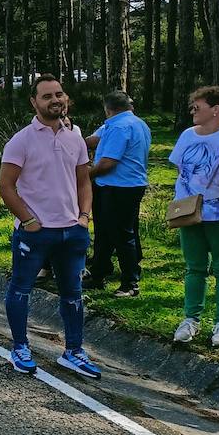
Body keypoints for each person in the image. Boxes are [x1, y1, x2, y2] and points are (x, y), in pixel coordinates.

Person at [0, 75, 100, 379]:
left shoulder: (75, 138)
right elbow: (6, 186)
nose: (55, 100)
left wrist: (84, 217)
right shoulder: (21, 140)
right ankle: (19, 348)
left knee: (73, 293)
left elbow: (84, 181)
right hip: (36, 232)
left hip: (72, 231)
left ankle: (74, 351)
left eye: (59, 94)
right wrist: (28, 221)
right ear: (34, 102)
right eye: (47, 96)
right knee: (21, 289)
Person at [170, 85, 219, 348]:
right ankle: (191, 319)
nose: (192, 110)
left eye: (197, 107)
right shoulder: (188, 135)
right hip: (190, 211)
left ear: (216, 109)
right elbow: (180, 168)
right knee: (194, 267)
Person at [83, 90, 151, 297]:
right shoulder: (136, 123)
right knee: (105, 231)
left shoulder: (119, 127)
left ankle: (130, 282)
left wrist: (83, 175)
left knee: (122, 234)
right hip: (124, 185)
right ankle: (98, 273)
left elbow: (107, 163)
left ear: (107, 108)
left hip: (119, 186)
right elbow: (94, 140)